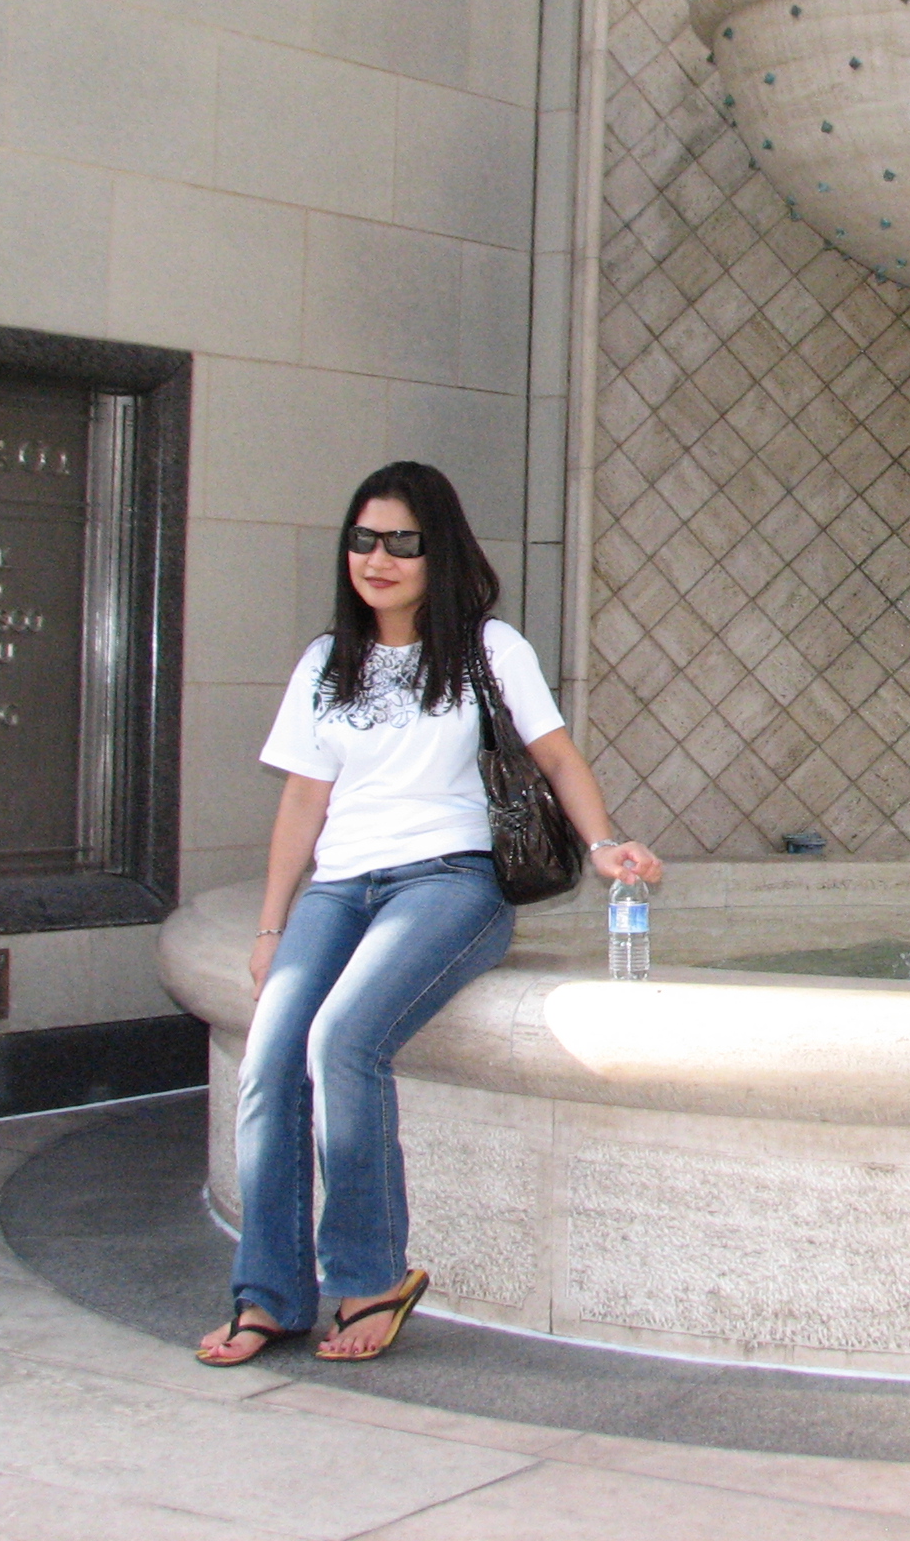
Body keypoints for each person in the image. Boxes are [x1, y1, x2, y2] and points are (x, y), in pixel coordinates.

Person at [197, 460, 661, 1366]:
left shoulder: (490, 649)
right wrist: (270, 927)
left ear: (437, 551)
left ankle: (371, 1277)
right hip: (341, 887)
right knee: (270, 1058)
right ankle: (271, 1296)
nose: (378, 559)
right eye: (363, 540)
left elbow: (557, 757)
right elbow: (303, 800)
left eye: (402, 543)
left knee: (343, 1042)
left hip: (451, 882)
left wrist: (605, 845)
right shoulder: (326, 663)